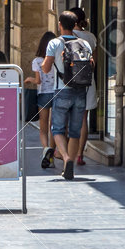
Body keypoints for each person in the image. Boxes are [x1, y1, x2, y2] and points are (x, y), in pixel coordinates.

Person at [41, 11, 93, 181]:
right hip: (80, 91)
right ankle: (68, 168)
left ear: (60, 25)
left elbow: (46, 68)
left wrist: (45, 64)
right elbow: (92, 64)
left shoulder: (54, 43)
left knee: (57, 129)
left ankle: (66, 158)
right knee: (75, 131)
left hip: (61, 90)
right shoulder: (85, 43)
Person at [69, 7, 100, 166]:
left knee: (67, 117)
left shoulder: (67, 37)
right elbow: (94, 62)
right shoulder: (91, 37)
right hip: (87, 81)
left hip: (69, 82)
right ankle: (80, 154)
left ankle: (67, 153)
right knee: (83, 119)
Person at [24, 31, 59, 169]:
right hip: (57, 93)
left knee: (43, 128)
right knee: (54, 126)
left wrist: (29, 79)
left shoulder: (37, 61)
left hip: (43, 95)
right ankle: (52, 150)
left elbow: (38, 80)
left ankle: (46, 150)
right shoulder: (57, 59)